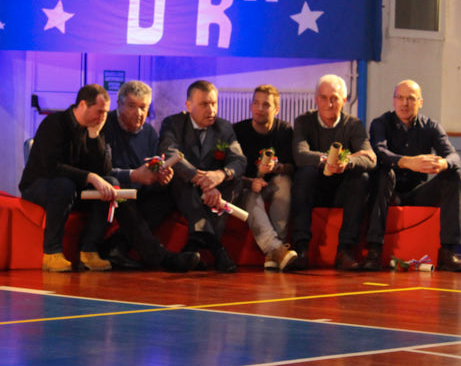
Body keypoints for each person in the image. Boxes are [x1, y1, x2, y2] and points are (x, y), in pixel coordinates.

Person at [365, 80, 461, 272]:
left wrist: (443, 163)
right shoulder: (380, 123)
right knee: (384, 173)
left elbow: (454, 157)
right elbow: (379, 153)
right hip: (388, 191)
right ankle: (374, 251)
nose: (405, 103)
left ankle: (447, 252)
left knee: (453, 175)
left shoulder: (431, 126)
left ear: (420, 102)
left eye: (411, 99)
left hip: (418, 193)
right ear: (394, 101)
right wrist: (407, 161)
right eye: (400, 98)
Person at [100, 81, 200, 272]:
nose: (138, 113)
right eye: (131, 106)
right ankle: (162, 257)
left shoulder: (149, 132)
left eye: (143, 107)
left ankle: (115, 245)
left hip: (140, 193)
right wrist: (134, 176)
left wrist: (162, 176)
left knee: (171, 189)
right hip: (112, 191)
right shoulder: (104, 127)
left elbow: (153, 167)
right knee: (121, 191)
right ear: (119, 105)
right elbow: (99, 171)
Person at [19, 84, 116, 272]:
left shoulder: (94, 128)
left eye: (105, 112)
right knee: (64, 185)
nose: (103, 117)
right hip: (39, 186)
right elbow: (52, 167)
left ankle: (89, 250)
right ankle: (51, 252)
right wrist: (90, 177)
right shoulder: (55, 123)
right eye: (99, 111)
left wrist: (95, 138)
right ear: (83, 105)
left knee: (110, 184)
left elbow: (104, 171)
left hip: (73, 187)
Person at [289, 74, 376, 271]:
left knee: (361, 178)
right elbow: (300, 155)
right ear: (315, 99)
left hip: (342, 191)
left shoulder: (354, 125)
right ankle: (302, 249)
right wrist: (329, 160)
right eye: (324, 98)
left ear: (344, 100)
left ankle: (345, 250)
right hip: (314, 189)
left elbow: (370, 159)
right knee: (304, 174)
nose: (329, 104)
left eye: (334, 98)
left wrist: (348, 162)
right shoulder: (304, 121)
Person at [158, 80, 247, 272]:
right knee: (180, 178)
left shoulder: (224, 127)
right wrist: (199, 178)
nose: (211, 110)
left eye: (214, 103)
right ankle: (217, 249)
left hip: (213, 188)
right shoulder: (173, 124)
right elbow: (169, 153)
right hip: (187, 186)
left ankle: (192, 247)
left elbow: (239, 160)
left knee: (236, 181)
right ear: (188, 105)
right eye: (204, 104)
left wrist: (220, 174)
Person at [233, 85, 297, 271]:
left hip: (271, 182)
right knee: (250, 196)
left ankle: (274, 253)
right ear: (251, 106)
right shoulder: (238, 131)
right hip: (247, 186)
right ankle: (277, 250)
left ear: (276, 110)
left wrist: (277, 167)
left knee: (284, 184)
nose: (260, 109)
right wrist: (250, 181)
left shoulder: (285, 130)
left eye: (266, 105)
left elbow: (293, 167)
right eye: (256, 103)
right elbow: (232, 171)